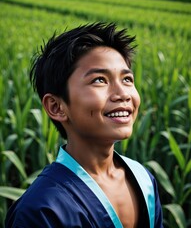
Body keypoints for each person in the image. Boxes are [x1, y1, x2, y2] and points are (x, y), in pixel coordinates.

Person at [5, 22, 163, 228]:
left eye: (127, 79)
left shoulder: (143, 179)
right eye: (99, 80)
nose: (123, 94)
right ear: (56, 107)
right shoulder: (42, 209)